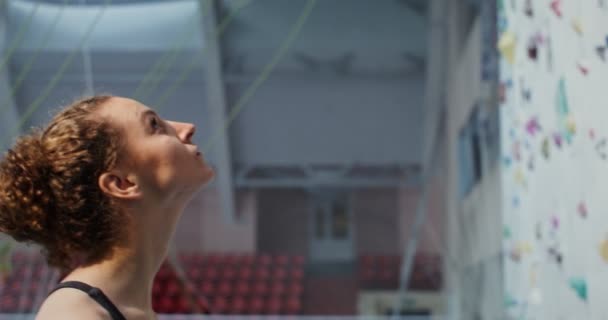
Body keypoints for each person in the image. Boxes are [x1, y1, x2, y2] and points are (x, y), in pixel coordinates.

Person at [0, 95, 215, 319]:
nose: (187, 128)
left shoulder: (124, 309)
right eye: (154, 125)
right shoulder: (75, 314)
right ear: (123, 184)